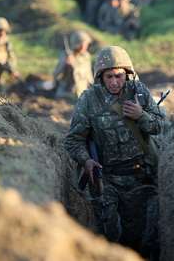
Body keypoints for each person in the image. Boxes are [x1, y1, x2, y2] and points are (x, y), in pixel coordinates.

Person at [64, 46, 163, 258]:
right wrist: (86, 160)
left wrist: (141, 116)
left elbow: (162, 126)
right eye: (109, 76)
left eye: (119, 76)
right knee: (110, 236)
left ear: (127, 74)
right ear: (100, 77)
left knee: (143, 238)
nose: (114, 81)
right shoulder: (89, 100)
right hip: (107, 179)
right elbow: (73, 140)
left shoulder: (139, 93)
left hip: (141, 179)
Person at [53, 31, 93, 98]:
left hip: (82, 91)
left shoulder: (86, 56)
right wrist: (66, 65)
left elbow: (89, 75)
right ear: (78, 44)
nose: (86, 46)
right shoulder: (65, 56)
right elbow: (56, 74)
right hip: (67, 92)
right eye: (84, 44)